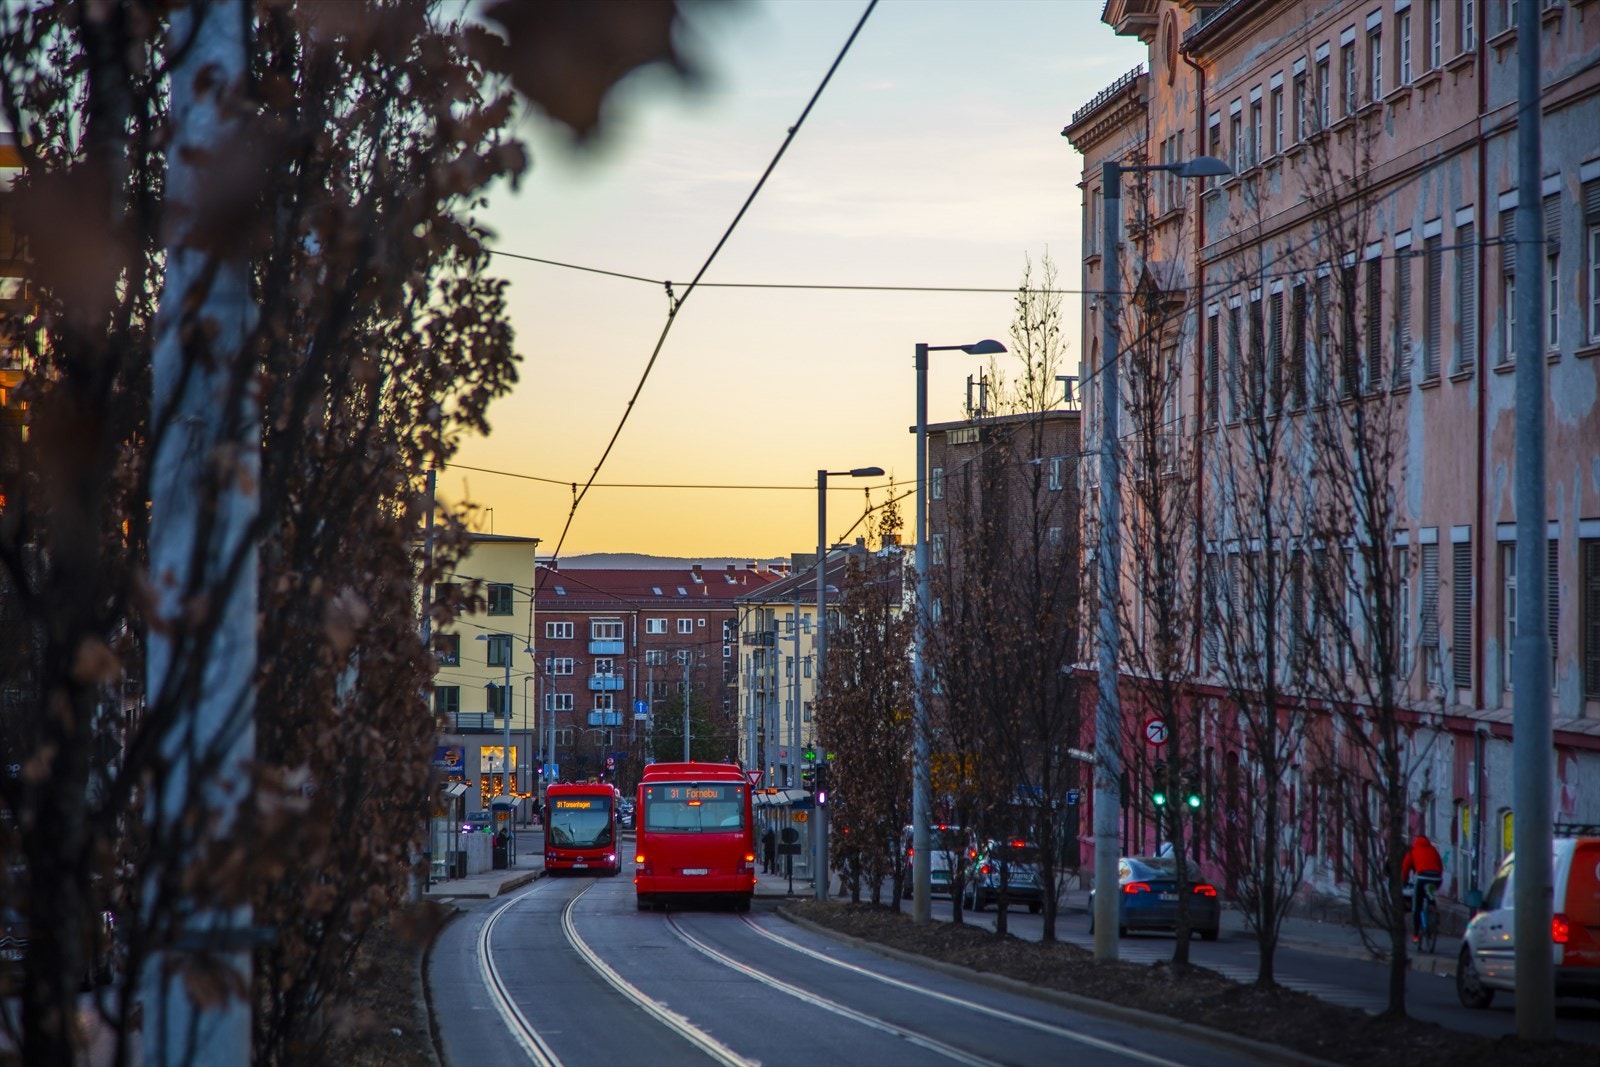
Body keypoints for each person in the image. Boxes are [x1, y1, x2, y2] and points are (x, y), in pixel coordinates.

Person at [1400, 833, 1444, 942]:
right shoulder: (1433, 849)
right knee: (1429, 891)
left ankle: (1416, 935)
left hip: (1422, 877)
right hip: (1436, 878)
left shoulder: (1413, 850)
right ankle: (1432, 904)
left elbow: (1405, 869)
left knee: (1417, 905)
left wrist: (1403, 882)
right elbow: (1440, 866)